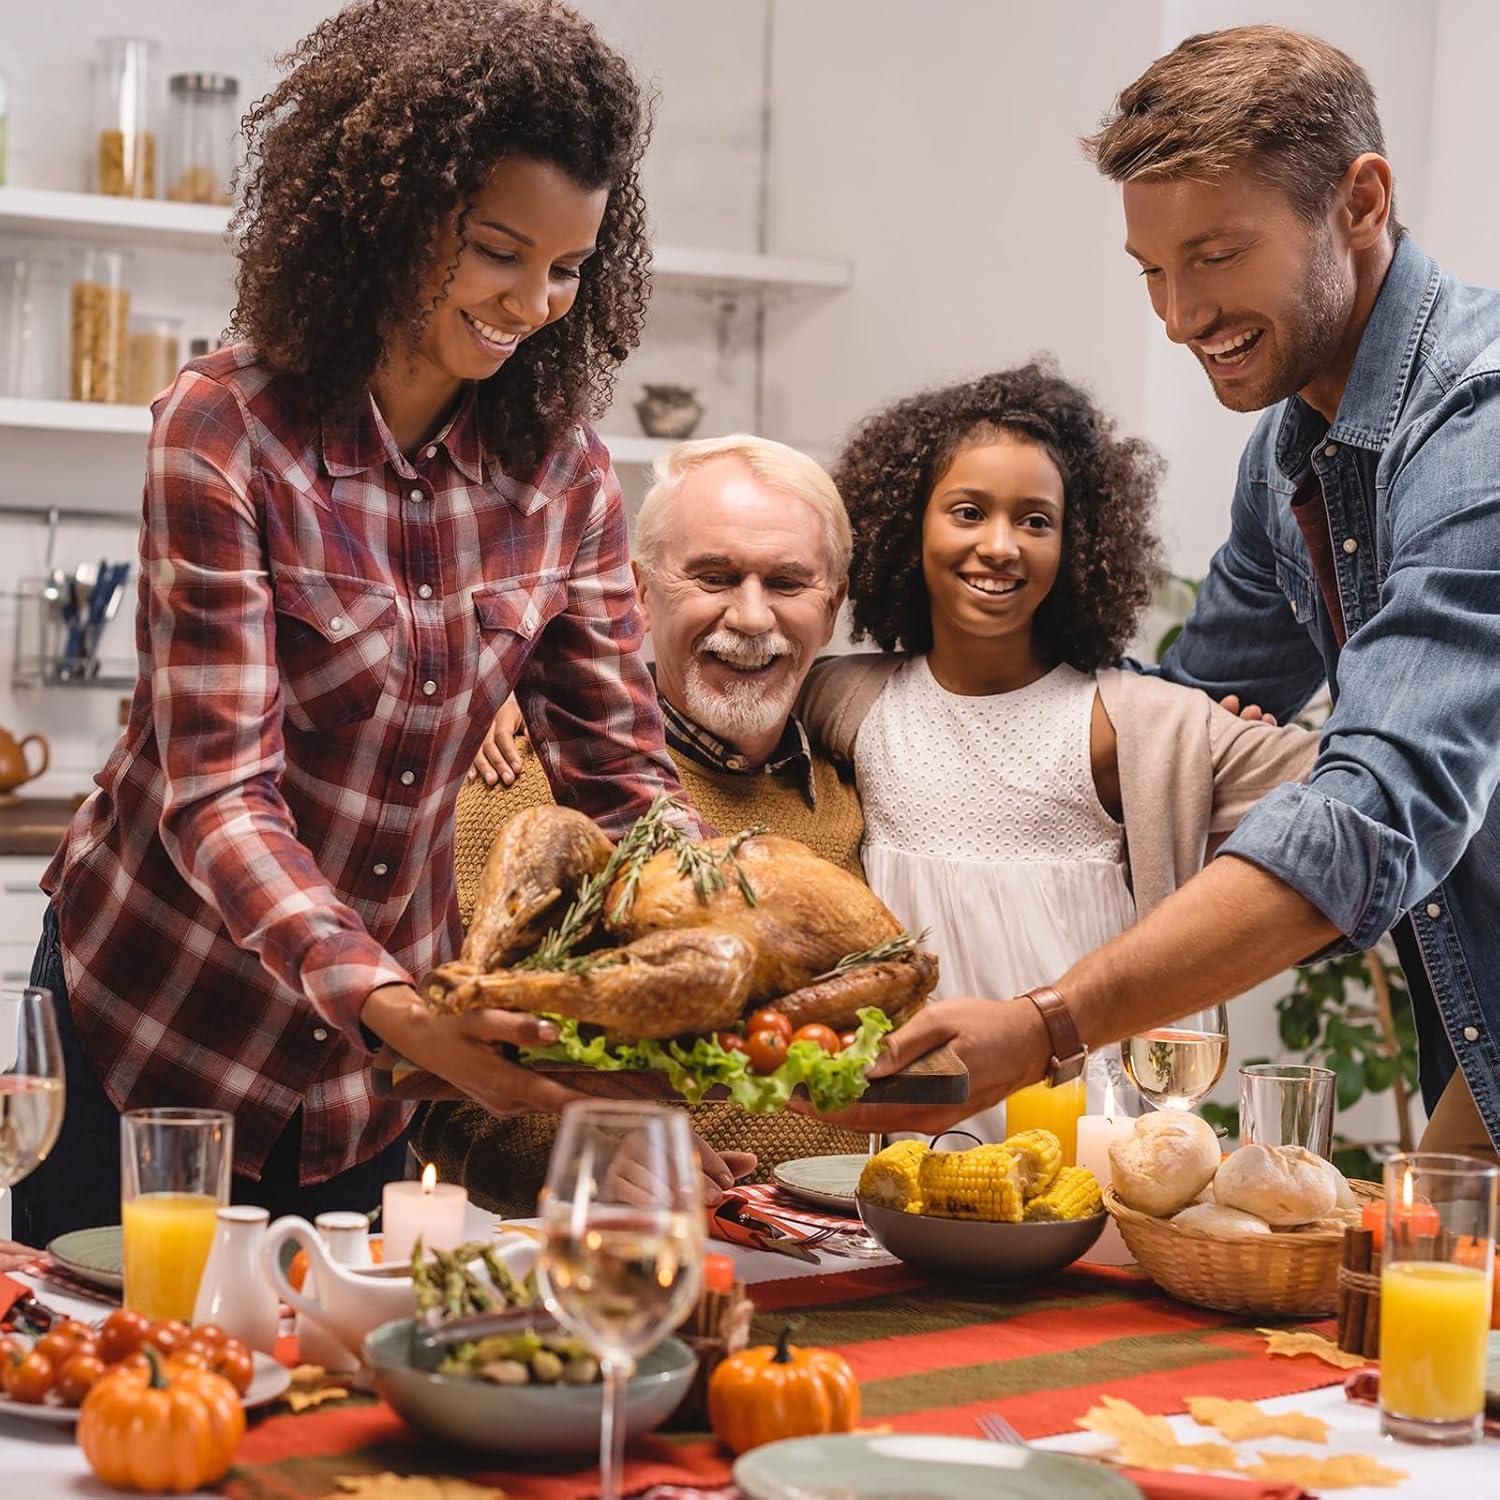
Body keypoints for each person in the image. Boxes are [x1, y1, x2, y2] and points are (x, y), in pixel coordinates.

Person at [14, 0, 698, 1246]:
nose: (533, 300)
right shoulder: (227, 428)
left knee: (327, 1410)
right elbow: (217, 791)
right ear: (391, 211)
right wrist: (389, 1000)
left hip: (369, 1082)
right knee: (120, 1393)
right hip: (155, 1029)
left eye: (568, 267)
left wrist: (725, 929)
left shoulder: (567, 476)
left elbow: (621, 780)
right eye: (498, 249)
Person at [836, 27, 1500, 1157]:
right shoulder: (1292, 454)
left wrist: (1049, 1022)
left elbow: (1377, 805)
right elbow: (1165, 715)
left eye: (1218, 255)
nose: (1181, 315)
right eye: (1152, 270)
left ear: (1361, 201)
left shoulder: (1478, 426)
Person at [797, 364, 1315, 1139]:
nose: (1000, 546)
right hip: (912, 1153)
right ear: (910, 526)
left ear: (1078, 544)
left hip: (1098, 1152)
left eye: (1036, 520)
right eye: (968, 512)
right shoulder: (845, 702)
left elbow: (1364, 787)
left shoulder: (1140, 725)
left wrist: (1220, 806)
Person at [417, 434, 870, 1215]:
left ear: (831, 609)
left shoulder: (855, 790)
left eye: (788, 582)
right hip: (613, 1264)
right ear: (635, 594)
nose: (753, 615)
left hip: (855, 1266)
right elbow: (432, 1086)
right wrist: (582, 1157)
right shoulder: (519, 791)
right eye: (715, 577)